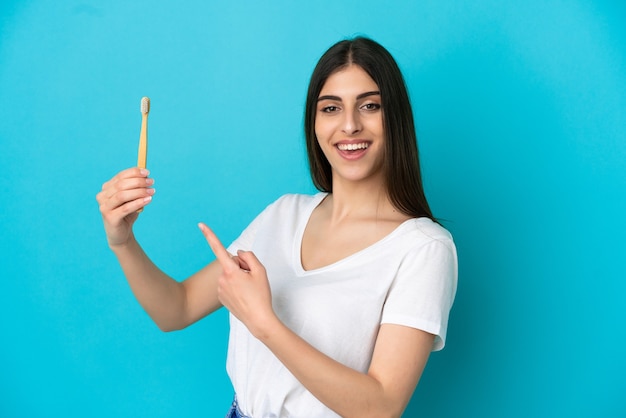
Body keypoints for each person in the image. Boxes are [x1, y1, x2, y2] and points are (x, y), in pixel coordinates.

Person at [96, 36, 457, 418]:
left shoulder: (423, 248)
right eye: (331, 108)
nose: (349, 125)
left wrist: (263, 322)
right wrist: (122, 241)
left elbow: (382, 406)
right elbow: (176, 309)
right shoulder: (282, 215)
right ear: (314, 123)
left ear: (395, 118)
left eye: (369, 106)